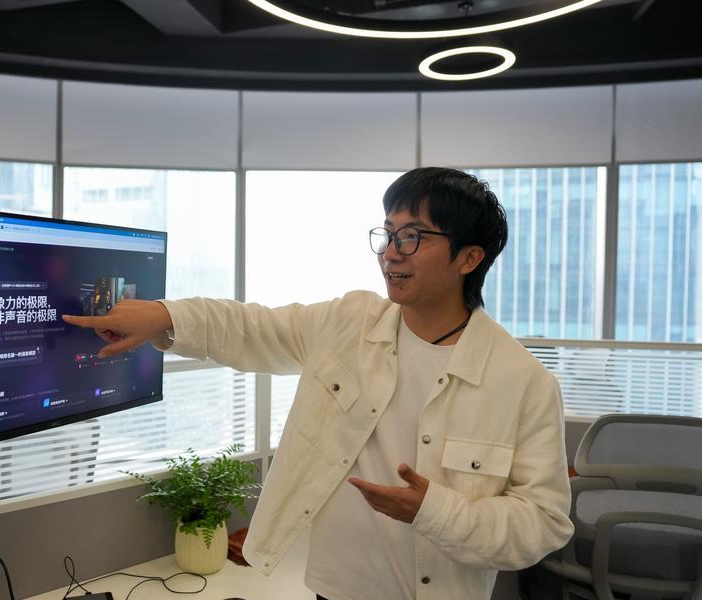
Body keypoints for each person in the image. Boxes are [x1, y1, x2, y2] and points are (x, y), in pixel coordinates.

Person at [63, 167, 574, 600]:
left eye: (412, 237)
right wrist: (163, 315)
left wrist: (435, 512)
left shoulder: (522, 383)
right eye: (388, 234)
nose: (391, 253)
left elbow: (544, 523)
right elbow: (250, 327)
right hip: (333, 590)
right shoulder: (349, 323)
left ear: (468, 258)